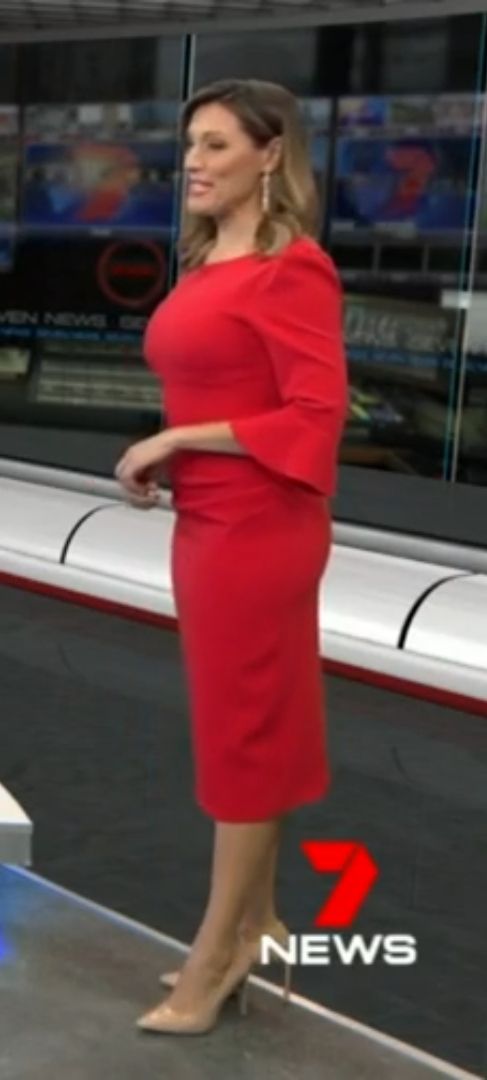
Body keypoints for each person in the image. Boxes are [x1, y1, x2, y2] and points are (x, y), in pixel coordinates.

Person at [114, 78, 348, 1036]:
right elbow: (228, 386)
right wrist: (178, 458)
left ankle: (216, 958)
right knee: (248, 725)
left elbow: (315, 413)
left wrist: (177, 439)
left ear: (270, 154)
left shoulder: (293, 269)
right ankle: (256, 923)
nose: (193, 164)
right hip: (209, 521)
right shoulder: (210, 259)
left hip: (260, 529)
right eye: (189, 147)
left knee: (243, 735)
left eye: (215, 145)